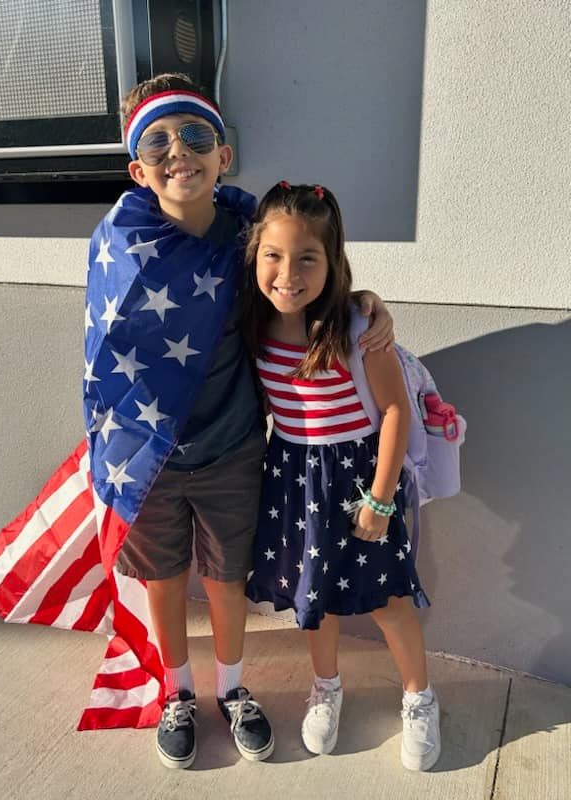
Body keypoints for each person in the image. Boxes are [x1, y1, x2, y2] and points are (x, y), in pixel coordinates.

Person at [105, 74, 395, 769]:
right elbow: (100, 356)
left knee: (224, 578)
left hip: (232, 450)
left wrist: (363, 300)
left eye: (195, 135)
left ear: (224, 155)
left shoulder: (246, 234)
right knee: (163, 580)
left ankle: (231, 688)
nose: (180, 153)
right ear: (138, 169)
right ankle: (178, 692)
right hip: (146, 454)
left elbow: (297, 281)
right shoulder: (118, 243)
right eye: (158, 143)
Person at [243, 182, 440, 771]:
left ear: (333, 261)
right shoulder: (252, 323)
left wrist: (380, 501)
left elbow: (396, 410)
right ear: (254, 255)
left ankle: (420, 698)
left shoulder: (357, 327)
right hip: (293, 480)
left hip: (358, 480)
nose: (288, 274)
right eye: (273, 256)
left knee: (389, 599)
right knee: (316, 597)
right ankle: (326, 687)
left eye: (308, 258)